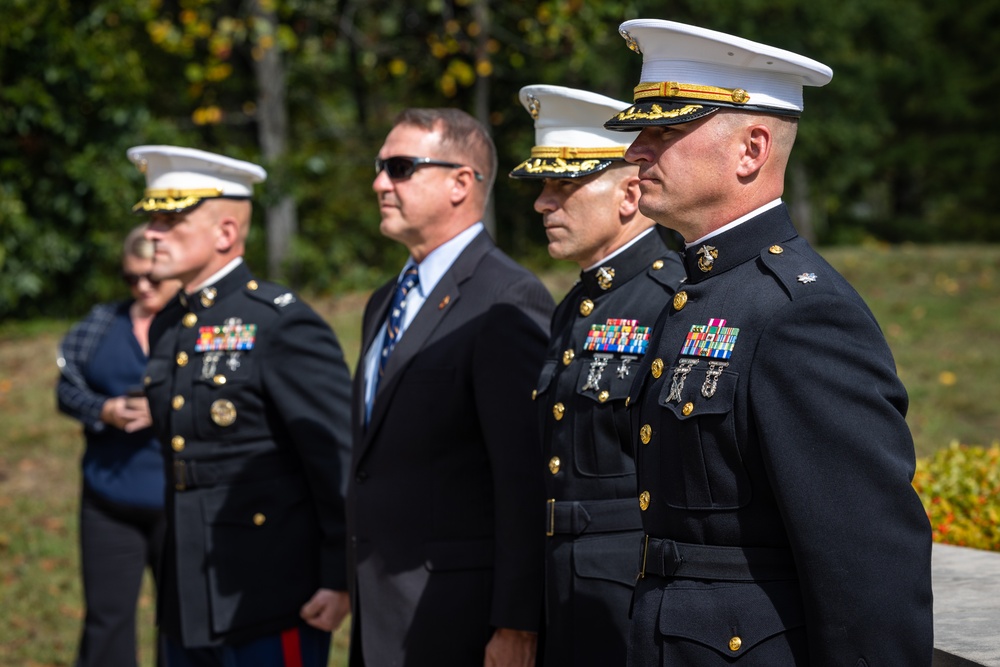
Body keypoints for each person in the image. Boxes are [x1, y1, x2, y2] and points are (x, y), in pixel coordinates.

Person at [600, 19, 934, 665]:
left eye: (664, 131)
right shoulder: (699, 292)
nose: (636, 151)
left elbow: (866, 560)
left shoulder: (799, 312)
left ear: (751, 149)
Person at [127, 145, 353, 666]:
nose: (152, 233)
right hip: (188, 589)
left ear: (225, 233)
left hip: (269, 591)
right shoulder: (168, 325)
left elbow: (335, 458)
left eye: (170, 218)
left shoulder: (278, 322)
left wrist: (339, 576)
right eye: (151, 219)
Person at [347, 108, 555, 666]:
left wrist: (516, 623)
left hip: (455, 619)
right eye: (380, 166)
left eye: (400, 167)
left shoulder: (506, 298)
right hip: (380, 614)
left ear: (461, 183)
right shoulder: (383, 301)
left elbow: (524, 478)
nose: (379, 183)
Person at [508, 85, 685, 667]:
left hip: (629, 601)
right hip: (570, 596)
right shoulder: (576, 306)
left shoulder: (670, 300)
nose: (542, 204)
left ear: (629, 193)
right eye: (543, 186)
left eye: (565, 185)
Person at [57, 224, 181, 667]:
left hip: (181, 503)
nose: (142, 287)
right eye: (132, 278)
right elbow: (66, 388)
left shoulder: (200, 329)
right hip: (109, 502)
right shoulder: (100, 325)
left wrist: (166, 410)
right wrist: (102, 409)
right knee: (106, 623)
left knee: (183, 626)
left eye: (153, 277)